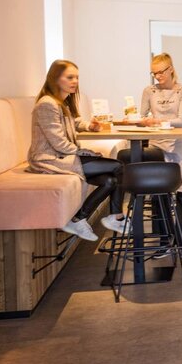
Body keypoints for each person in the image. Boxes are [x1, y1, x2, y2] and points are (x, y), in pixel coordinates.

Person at [27, 60, 128, 241]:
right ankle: (115, 217)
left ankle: (78, 218)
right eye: (70, 77)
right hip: (49, 158)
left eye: (77, 77)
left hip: (63, 156)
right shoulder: (47, 104)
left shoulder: (62, 102)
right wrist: (86, 153)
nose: (75, 81)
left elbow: (75, 122)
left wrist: (91, 126)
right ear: (55, 78)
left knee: (111, 181)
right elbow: (58, 143)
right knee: (118, 166)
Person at [118, 53, 182, 256]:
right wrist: (134, 118)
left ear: (170, 68)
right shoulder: (149, 91)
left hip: (177, 146)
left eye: (161, 72)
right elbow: (141, 116)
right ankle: (163, 243)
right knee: (158, 195)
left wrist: (158, 122)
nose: (158, 76)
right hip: (156, 146)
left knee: (181, 193)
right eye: (154, 73)